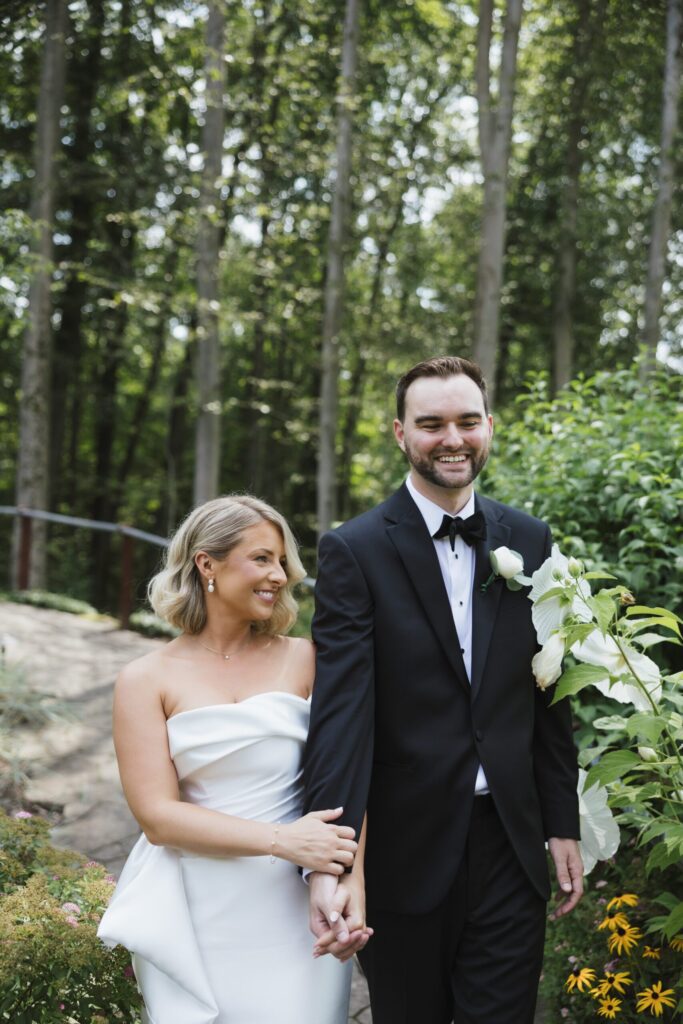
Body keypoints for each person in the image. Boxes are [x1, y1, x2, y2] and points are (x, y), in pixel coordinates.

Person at [303, 356, 583, 1024]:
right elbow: (343, 714)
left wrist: (561, 822)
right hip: (404, 847)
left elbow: (548, 692)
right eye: (430, 424)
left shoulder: (529, 539)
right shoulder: (353, 549)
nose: (451, 438)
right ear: (400, 434)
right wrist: (333, 863)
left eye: (465, 421)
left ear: (488, 425)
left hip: (509, 844)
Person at [98, 494, 356, 1024]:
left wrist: (348, 880)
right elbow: (156, 816)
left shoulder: (308, 658)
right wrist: (282, 840)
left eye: (282, 561)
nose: (280, 575)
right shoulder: (145, 679)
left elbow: (353, 775)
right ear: (206, 563)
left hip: (298, 904)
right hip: (195, 907)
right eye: (262, 558)